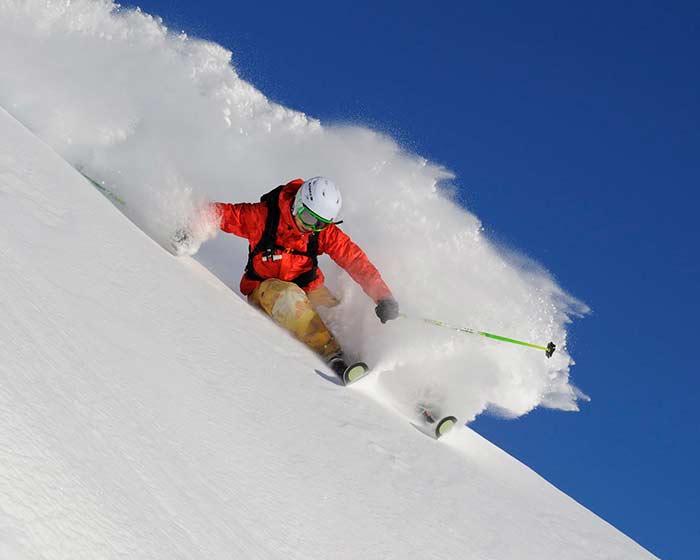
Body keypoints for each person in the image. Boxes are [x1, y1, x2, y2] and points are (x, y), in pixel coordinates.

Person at [207, 176, 399, 381]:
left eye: (320, 224)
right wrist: (189, 222)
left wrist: (383, 296)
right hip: (266, 290)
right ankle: (334, 357)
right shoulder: (264, 217)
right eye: (308, 218)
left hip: (309, 288)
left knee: (339, 316)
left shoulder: (321, 233)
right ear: (298, 203)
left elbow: (355, 261)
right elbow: (222, 214)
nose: (310, 227)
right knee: (291, 299)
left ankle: (389, 378)